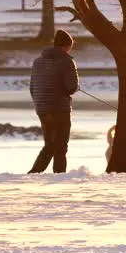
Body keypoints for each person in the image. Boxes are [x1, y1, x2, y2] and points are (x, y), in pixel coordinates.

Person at [28, 29, 80, 173]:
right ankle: (59, 176)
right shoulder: (67, 61)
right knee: (61, 145)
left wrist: (41, 102)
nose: (70, 48)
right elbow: (72, 87)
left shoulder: (38, 62)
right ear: (66, 46)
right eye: (70, 45)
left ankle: (34, 173)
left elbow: (32, 87)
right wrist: (76, 87)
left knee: (50, 145)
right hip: (60, 109)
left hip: (42, 108)